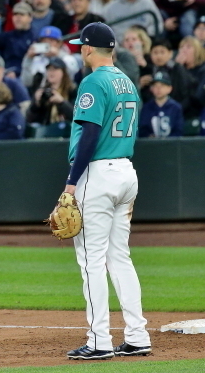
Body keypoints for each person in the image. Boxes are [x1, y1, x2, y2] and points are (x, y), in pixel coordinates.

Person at [62, 22, 151, 360]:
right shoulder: (126, 81)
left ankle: (98, 340)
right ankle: (137, 335)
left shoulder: (93, 81)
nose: (79, 50)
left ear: (87, 48)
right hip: (126, 171)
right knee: (120, 258)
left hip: (98, 173)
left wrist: (72, 182)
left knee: (91, 261)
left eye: (80, 46)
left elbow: (89, 135)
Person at [0, 2, 34, 76]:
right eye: (15, 15)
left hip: (26, 75)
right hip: (6, 72)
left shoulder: (35, 37)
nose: (18, 18)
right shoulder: (8, 36)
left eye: (22, 15)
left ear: (30, 18)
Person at [26, 58, 77, 125]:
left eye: (55, 69)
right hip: (45, 129)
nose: (51, 72)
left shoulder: (72, 90)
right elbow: (29, 119)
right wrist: (36, 104)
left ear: (63, 72)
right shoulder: (43, 91)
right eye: (49, 69)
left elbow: (76, 116)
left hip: (65, 129)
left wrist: (62, 102)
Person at [138, 71, 183, 138]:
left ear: (169, 88)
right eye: (155, 86)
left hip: (172, 145)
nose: (158, 89)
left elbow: (178, 130)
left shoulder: (175, 107)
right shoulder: (147, 107)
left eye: (162, 86)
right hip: (152, 146)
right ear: (151, 89)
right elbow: (143, 129)